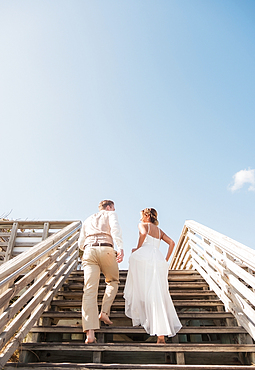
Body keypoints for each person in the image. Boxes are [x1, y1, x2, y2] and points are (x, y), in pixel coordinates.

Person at [124, 208, 182, 344]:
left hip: (145, 255)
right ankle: (161, 334)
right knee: (158, 292)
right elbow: (172, 243)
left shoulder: (142, 225)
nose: (140, 219)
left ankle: (144, 309)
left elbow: (143, 234)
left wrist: (137, 248)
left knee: (144, 287)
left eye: (141, 216)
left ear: (146, 216)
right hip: (158, 258)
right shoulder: (160, 231)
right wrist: (166, 259)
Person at [78, 200, 124, 344]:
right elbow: (115, 229)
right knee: (113, 281)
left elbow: (80, 243)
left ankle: (90, 334)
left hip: (89, 250)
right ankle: (104, 312)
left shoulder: (88, 219)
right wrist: (120, 247)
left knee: (89, 290)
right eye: (113, 208)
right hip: (106, 248)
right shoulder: (111, 214)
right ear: (109, 207)